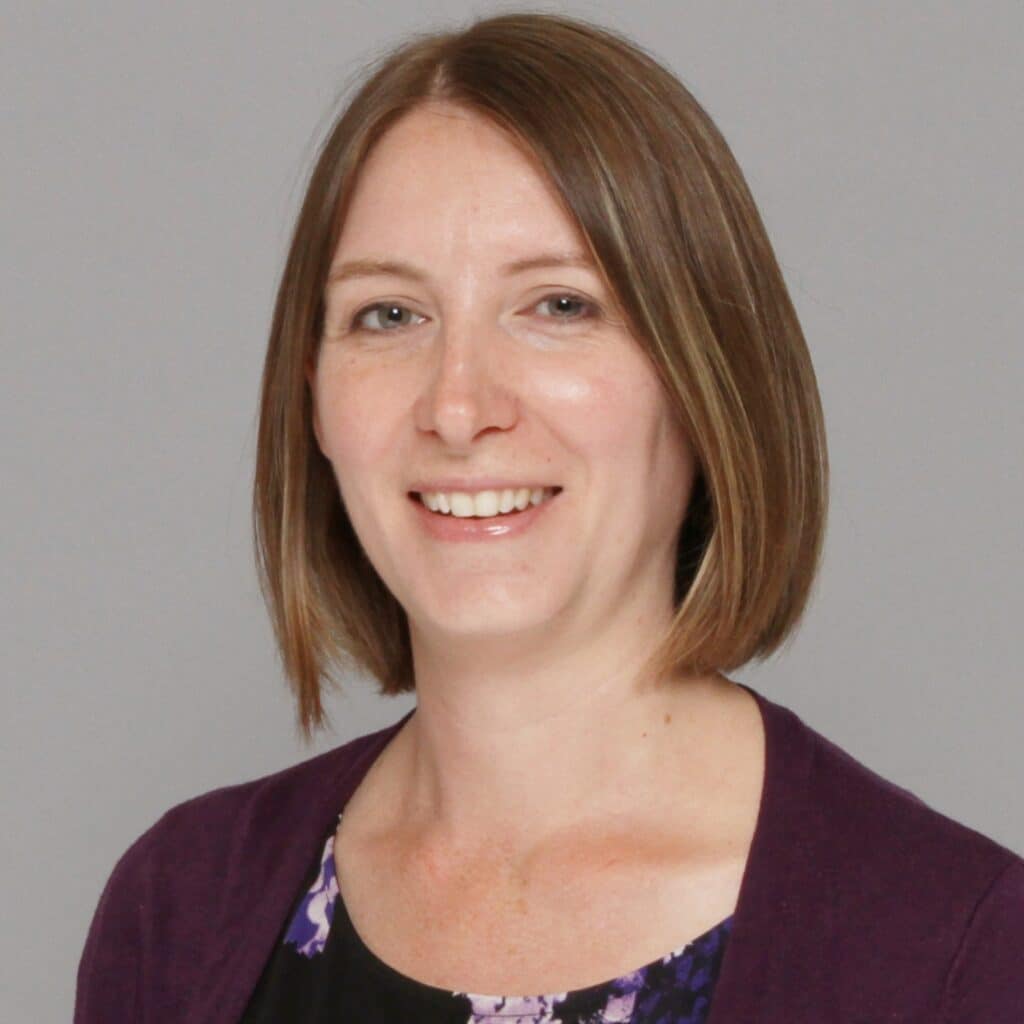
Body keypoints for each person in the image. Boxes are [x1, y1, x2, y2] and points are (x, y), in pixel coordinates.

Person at [74, 11, 1024, 1023]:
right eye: (388, 315)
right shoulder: (177, 912)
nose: (456, 405)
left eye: (559, 306)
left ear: (706, 379)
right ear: (310, 396)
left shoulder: (957, 950)